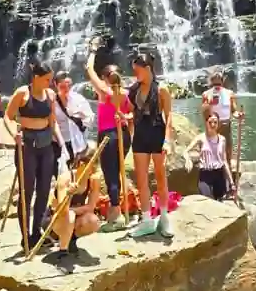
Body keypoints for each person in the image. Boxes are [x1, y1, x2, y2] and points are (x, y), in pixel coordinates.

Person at [4, 60, 66, 252]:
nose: (50, 82)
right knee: (27, 192)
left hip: (46, 146)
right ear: (36, 78)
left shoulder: (50, 95)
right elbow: (7, 116)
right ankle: (25, 237)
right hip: (27, 146)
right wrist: (14, 133)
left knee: (44, 190)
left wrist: (62, 144)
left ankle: (36, 232)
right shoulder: (22, 93)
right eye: (47, 79)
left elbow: (53, 122)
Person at [129, 52, 176, 238]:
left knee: (160, 177)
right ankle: (147, 219)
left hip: (157, 134)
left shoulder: (161, 89)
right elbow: (133, 113)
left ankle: (164, 217)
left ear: (148, 69)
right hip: (140, 135)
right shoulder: (134, 90)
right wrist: (125, 118)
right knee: (141, 180)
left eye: (138, 70)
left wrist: (167, 140)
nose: (135, 74)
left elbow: (168, 115)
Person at [86, 43, 133, 229]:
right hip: (123, 136)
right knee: (118, 172)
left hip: (108, 136)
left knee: (110, 175)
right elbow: (131, 115)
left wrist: (92, 51)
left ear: (105, 78)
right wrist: (126, 120)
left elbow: (89, 69)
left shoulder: (105, 92)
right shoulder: (125, 93)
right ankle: (115, 214)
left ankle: (117, 215)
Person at [41, 152, 105, 263]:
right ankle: (63, 251)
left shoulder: (93, 180)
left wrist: (73, 210)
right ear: (81, 164)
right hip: (55, 220)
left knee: (93, 220)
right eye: (92, 167)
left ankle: (71, 239)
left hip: (73, 217)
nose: (94, 170)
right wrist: (69, 195)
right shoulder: (65, 179)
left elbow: (90, 208)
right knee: (69, 215)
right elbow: (62, 210)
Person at [201, 71, 244, 165]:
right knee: (213, 151)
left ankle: (227, 173)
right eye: (215, 83)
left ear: (222, 81)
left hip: (226, 126)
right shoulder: (206, 94)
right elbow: (204, 114)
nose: (217, 86)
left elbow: (234, 111)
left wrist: (239, 115)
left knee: (227, 150)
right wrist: (208, 104)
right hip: (212, 126)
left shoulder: (229, 93)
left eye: (219, 83)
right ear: (211, 82)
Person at [188, 112, 233, 201]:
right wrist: (188, 159)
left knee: (220, 202)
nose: (212, 124)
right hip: (205, 175)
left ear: (218, 124)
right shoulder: (200, 138)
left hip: (219, 174)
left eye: (215, 122)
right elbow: (186, 150)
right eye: (210, 122)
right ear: (206, 123)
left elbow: (224, 161)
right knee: (207, 200)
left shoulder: (222, 139)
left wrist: (231, 182)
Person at [53, 74, 93, 165]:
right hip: (58, 142)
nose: (66, 88)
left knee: (77, 171)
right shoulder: (52, 101)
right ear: (56, 85)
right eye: (62, 86)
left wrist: (81, 119)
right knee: (61, 173)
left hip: (77, 142)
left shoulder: (79, 99)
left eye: (69, 85)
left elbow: (90, 117)